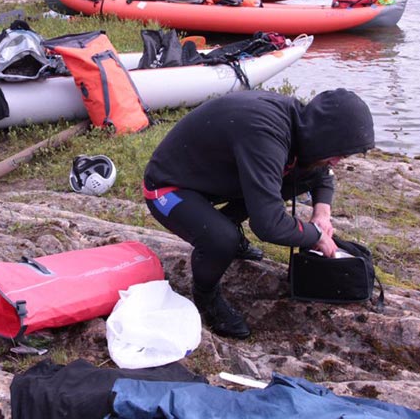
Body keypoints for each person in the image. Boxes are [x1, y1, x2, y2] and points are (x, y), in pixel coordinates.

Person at [142, 88, 375, 339]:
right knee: (221, 240)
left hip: (211, 178)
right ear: (325, 136)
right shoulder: (265, 133)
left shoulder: (303, 125)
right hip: (168, 186)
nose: (338, 161)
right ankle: (205, 297)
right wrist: (316, 236)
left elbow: (322, 174)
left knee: (307, 171)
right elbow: (269, 225)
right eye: (339, 153)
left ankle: (228, 223)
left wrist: (322, 214)